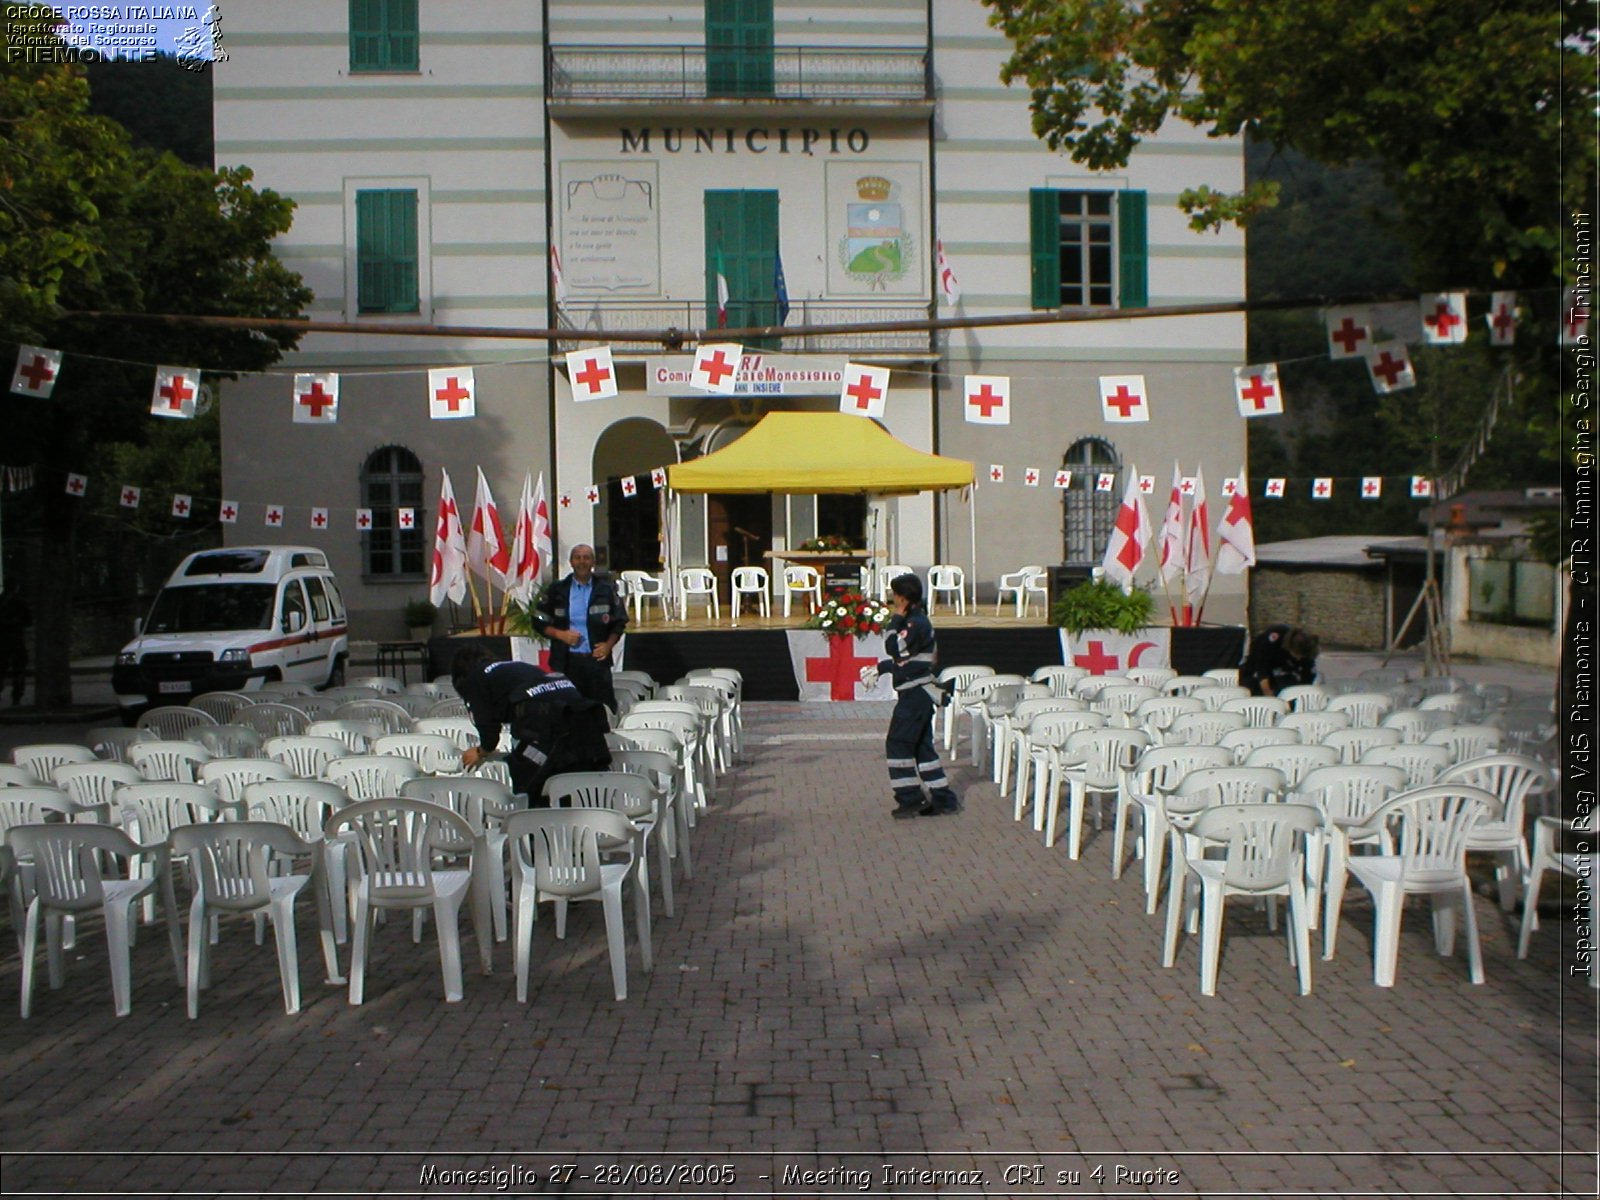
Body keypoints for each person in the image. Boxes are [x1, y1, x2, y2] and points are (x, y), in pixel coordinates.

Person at [451, 643, 611, 801]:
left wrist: (480, 751)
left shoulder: (475, 679)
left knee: (530, 779)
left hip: (544, 716)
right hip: (581, 712)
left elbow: (487, 728)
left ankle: (537, 819)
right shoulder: (512, 667)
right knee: (576, 779)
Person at [866, 573, 961, 818]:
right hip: (917, 694)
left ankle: (910, 798)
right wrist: (881, 668)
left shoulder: (915, 623)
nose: (892, 600)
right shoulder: (917, 621)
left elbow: (893, 647)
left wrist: (896, 617)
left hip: (915, 695)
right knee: (922, 748)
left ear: (903, 598)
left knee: (898, 743)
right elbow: (905, 661)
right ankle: (943, 799)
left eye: (895, 596)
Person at [533, 544, 627, 711]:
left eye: (586, 558)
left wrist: (608, 645)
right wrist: (560, 634)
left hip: (597, 662)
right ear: (571, 562)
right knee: (566, 712)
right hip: (566, 663)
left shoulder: (606, 590)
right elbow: (538, 621)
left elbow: (619, 622)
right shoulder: (557, 590)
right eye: (578, 558)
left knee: (602, 711)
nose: (582, 562)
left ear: (593, 562)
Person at [1239, 624, 1319, 697]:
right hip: (1254, 669)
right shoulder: (1272, 639)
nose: (1299, 659)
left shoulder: (1307, 649)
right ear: (1290, 649)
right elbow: (1262, 669)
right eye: (1297, 656)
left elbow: (1308, 675)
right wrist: (1269, 696)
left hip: (1281, 671)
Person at [0, 583, 29, 705]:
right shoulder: (20, 602)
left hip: (2, 639)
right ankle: (17, 696)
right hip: (16, 639)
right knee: (19, 669)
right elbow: (28, 620)